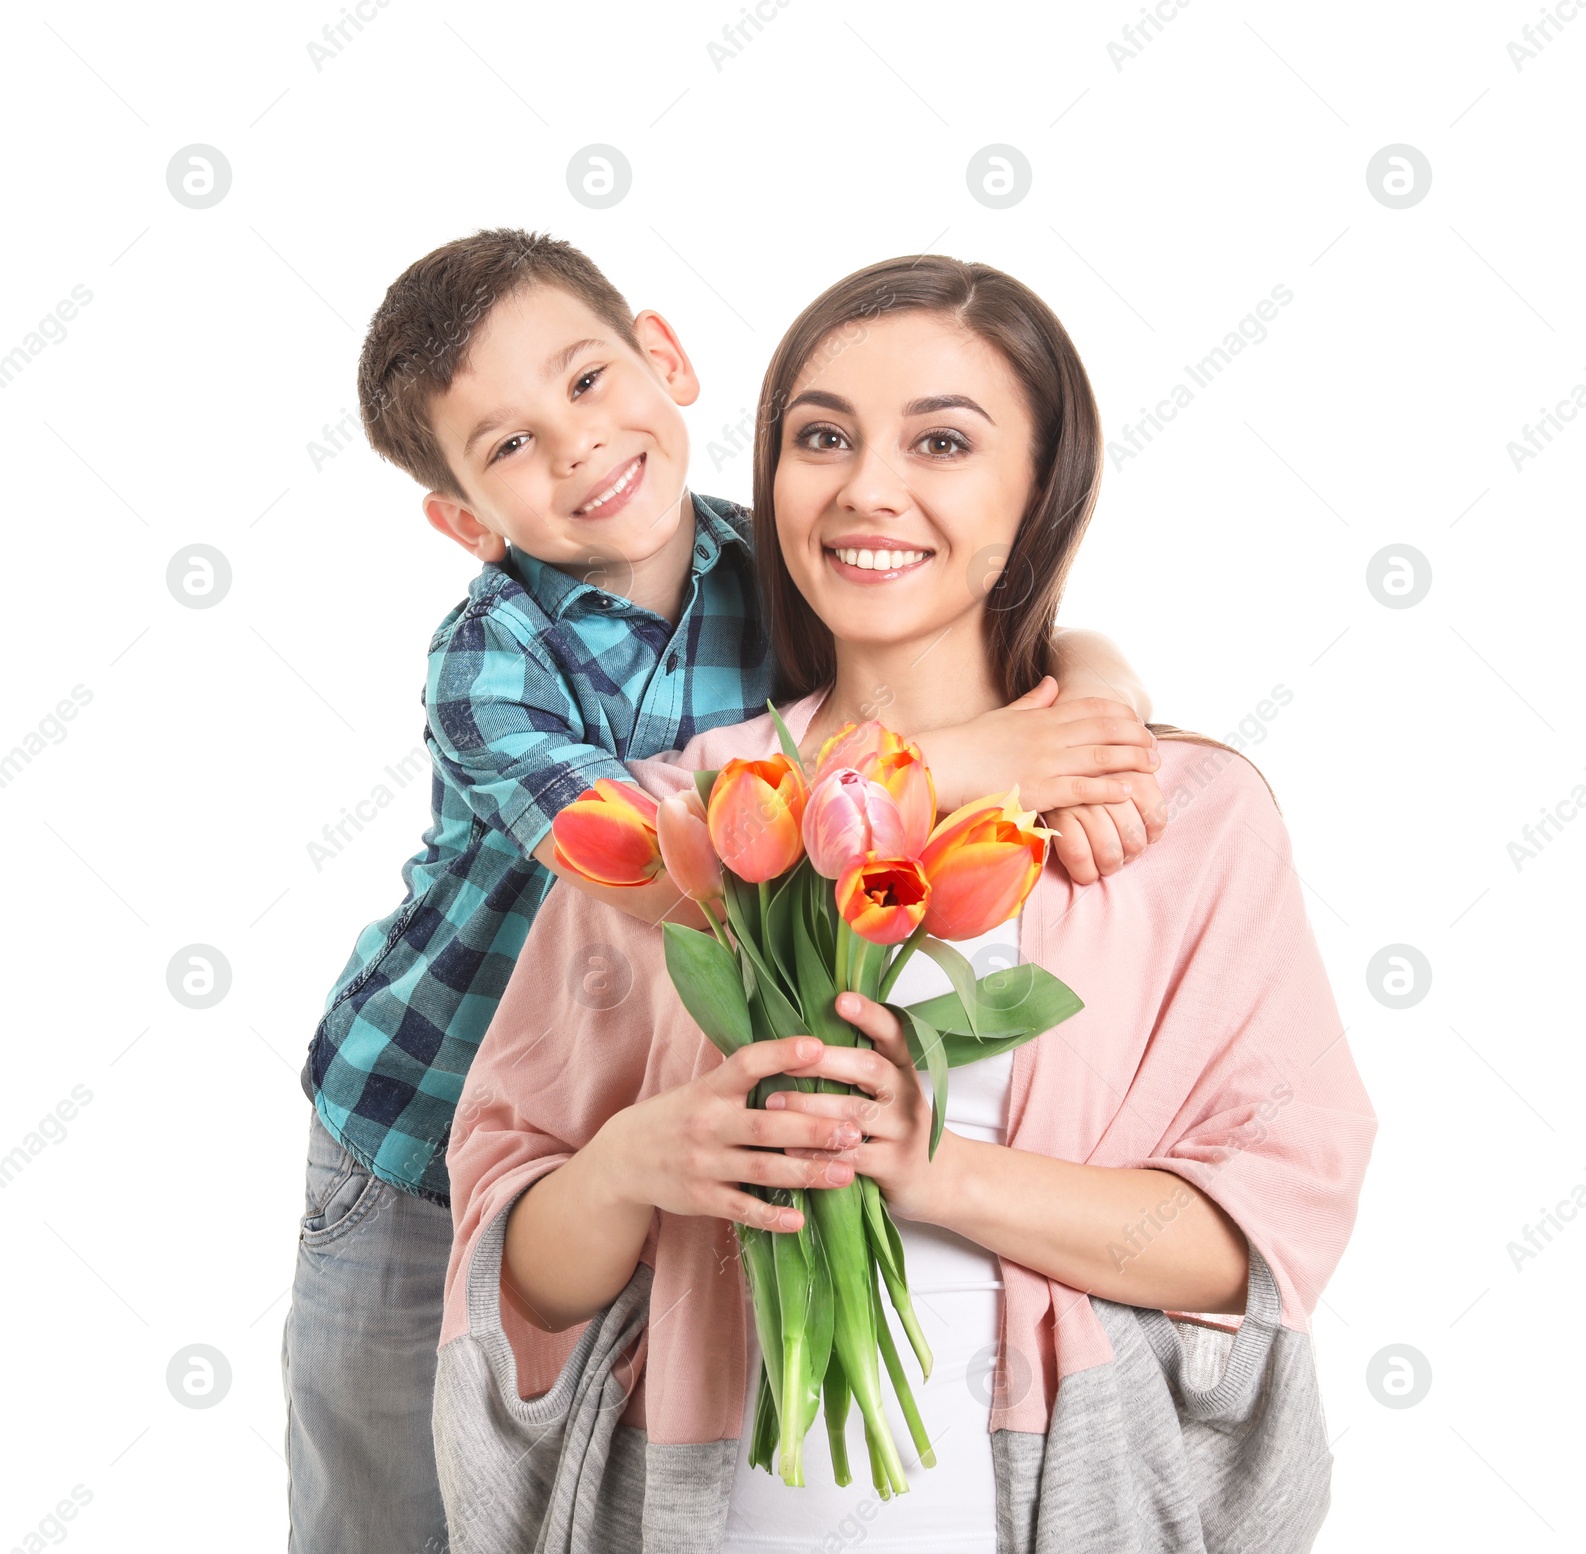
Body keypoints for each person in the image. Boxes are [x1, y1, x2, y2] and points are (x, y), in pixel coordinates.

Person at [435, 254, 1378, 1552]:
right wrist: (638, 1163)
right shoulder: (677, 824)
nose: (869, 486)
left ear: (1041, 485)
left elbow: (1260, 1225)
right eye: (822, 436)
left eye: (942, 440)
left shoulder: (1179, 813)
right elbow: (515, 1261)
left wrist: (935, 1170)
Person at [283, 229, 1163, 1551]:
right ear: (464, 520)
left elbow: (1004, 636)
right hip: (418, 1130)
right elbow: (667, 866)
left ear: (664, 356)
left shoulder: (784, 563)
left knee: (558, 1489)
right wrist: (975, 761)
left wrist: (1097, 686)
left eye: (585, 381)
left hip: (637, 1132)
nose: (575, 445)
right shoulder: (492, 664)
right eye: (508, 445)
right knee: (394, 1497)